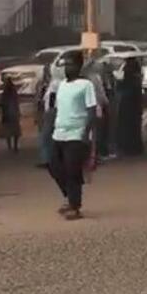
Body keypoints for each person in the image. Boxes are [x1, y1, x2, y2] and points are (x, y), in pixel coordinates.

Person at [49, 51, 96, 220]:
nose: (67, 68)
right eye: (65, 65)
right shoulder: (62, 85)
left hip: (76, 133)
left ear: (79, 66)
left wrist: (86, 133)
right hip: (59, 133)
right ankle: (69, 196)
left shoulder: (86, 85)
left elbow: (91, 110)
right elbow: (58, 108)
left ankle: (75, 206)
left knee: (72, 170)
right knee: (54, 166)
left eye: (70, 64)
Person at [116, 57, 144, 156]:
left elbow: (120, 88)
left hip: (128, 106)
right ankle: (135, 147)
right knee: (135, 128)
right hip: (135, 107)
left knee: (127, 128)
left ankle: (128, 147)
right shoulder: (137, 78)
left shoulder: (129, 78)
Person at [0, 77, 21, 153]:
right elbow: (17, 103)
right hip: (13, 114)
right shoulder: (13, 93)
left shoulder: (5, 94)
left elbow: (0, 105)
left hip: (7, 114)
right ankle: (15, 146)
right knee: (15, 131)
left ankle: (10, 146)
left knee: (8, 132)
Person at [35, 64, 52, 167]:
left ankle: (48, 160)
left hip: (49, 113)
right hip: (43, 113)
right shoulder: (41, 85)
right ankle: (46, 159)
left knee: (46, 138)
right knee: (43, 137)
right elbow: (37, 100)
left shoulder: (53, 85)